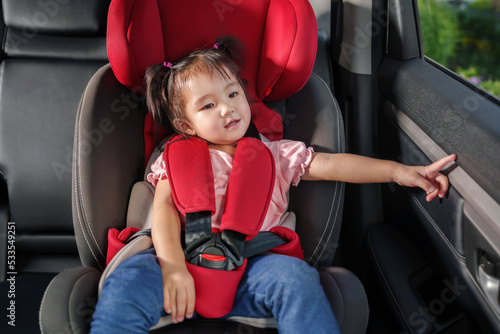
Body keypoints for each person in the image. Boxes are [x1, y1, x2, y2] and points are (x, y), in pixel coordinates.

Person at [90, 37, 455, 333]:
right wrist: (171, 266)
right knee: (129, 280)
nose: (226, 109)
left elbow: (331, 164)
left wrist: (396, 171)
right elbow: (165, 209)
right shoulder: (174, 158)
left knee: (296, 279)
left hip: (253, 269)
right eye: (208, 105)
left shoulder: (276, 155)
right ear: (186, 126)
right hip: (177, 266)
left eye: (233, 95)